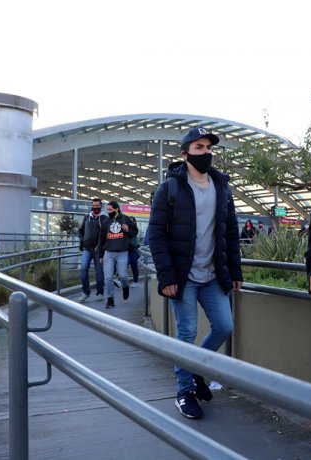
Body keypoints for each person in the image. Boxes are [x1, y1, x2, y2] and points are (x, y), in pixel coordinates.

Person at [148, 126, 243, 419]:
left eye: (209, 147)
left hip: (214, 275)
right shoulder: (170, 188)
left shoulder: (222, 187)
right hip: (183, 276)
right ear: (185, 154)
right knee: (186, 332)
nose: (206, 152)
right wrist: (166, 277)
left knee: (224, 326)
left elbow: (230, 231)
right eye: (199, 147)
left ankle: (196, 368)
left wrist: (235, 270)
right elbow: (155, 235)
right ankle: (185, 390)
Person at [100, 201, 138, 308]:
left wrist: (128, 229)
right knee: (108, 277)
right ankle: (110, 299)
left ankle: (125, 287)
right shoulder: (106, 222)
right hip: (108, 253)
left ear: (116, 209)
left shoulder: (126, 219)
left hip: (122, 252)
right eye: (107, 210)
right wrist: (100, 256)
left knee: (123, 275)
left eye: (110, 210)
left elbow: (134, 232)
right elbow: (101, 239)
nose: (108, 212)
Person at [77, 198, 107, 302]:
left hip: (98, 250)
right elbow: (81, 230)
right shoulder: (87, 217)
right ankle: (86, 292)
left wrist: (99, 245)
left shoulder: (104, 219)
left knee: (99, 271)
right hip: (87, 248)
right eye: (93, 206)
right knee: (83, 269)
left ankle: (100, 292)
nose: (95, 208)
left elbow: (105, 235)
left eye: (97, 206)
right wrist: (82, 240)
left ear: (101, 206)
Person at [127, 216, 141, 287]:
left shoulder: (136, 230)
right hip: (126, 251)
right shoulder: (126, 229)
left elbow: (137, 240)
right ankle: (121, 281)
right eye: (130, 221)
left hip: (133, 251)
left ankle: (135, 281)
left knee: (134, 266)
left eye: (132, 221)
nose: (131, 222)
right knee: (124, 266)